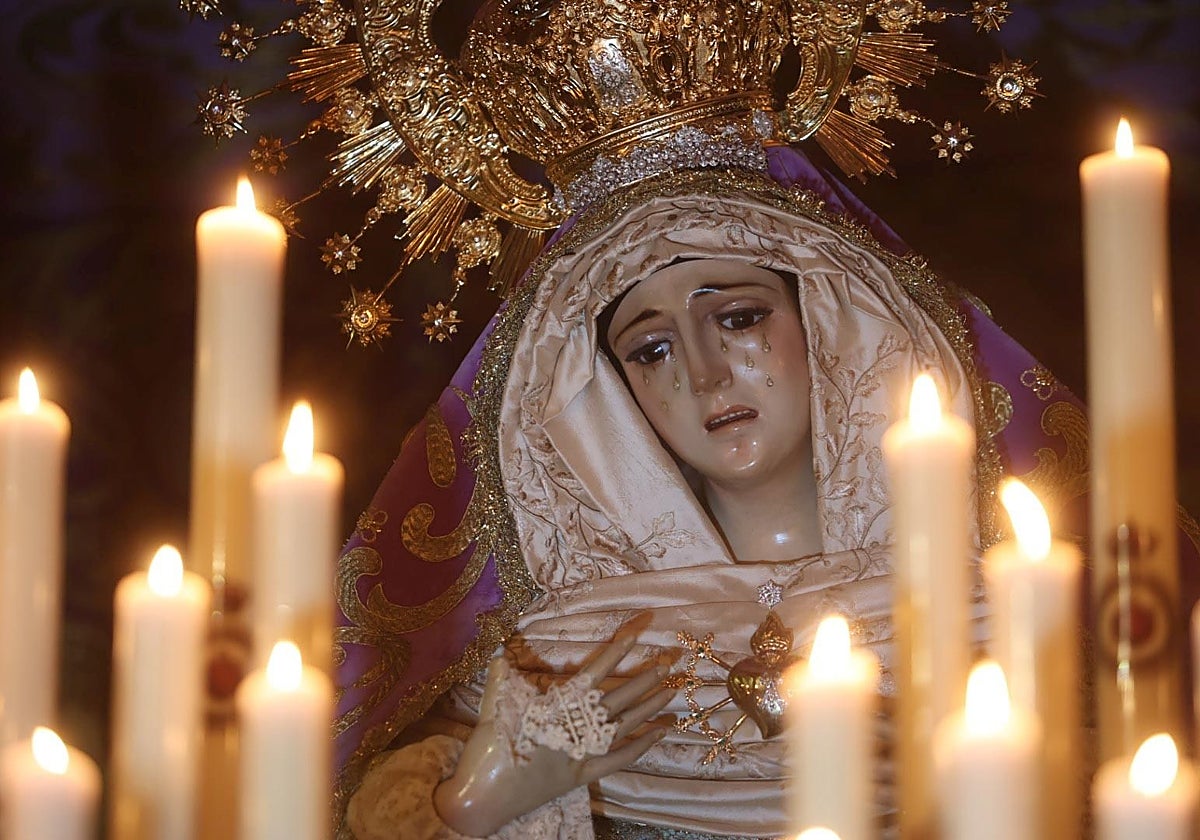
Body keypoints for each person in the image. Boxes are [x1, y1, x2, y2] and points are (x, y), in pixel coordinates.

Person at [331, 145, 1092, 839]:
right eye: (651, 349)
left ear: (826, 324)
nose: (704, 373)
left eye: (738, 317)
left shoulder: (1001, 624)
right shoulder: (557, 664)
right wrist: (483, 801)